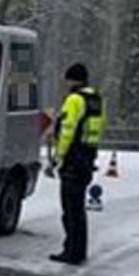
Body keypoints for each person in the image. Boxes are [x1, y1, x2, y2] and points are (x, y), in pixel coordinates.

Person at [47, 62, 105, 265]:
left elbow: (68, 129)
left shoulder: (74, 99)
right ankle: (78, 249)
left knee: (70, 208)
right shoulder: (95, 99)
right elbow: (97, 128)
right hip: (87, 157)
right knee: (78, 208)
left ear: (72, 79)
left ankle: (71, 251)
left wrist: (58, 155)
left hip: (73, 157)